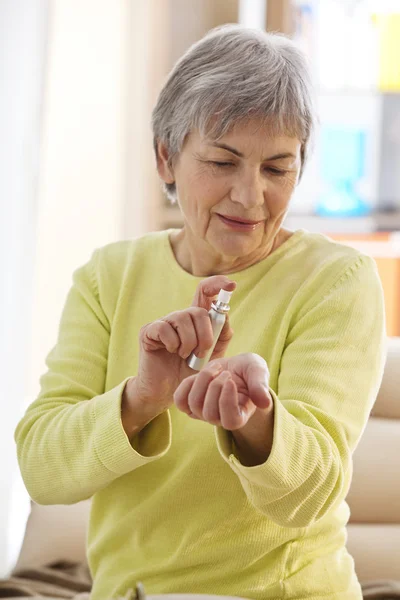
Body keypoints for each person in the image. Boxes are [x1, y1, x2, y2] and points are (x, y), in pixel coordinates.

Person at [15, 24, 386, 600]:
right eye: (222, 161)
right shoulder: (108, 277)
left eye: (277, 168)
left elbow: (311, 492)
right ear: (166, 158)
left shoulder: (336, 280)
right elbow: (41, 468)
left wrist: (254, 421)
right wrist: (142, 397)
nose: (249, 195)